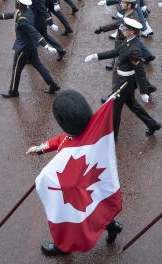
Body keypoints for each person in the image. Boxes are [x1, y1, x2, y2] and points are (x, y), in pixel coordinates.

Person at [25, 90, 124, 255]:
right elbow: (61, 139)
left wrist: (44, 177)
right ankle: (112, 226)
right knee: (96, 206)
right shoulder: (87, 133)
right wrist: (41, 149)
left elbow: (62, 145)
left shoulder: (76, 141)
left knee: (68, 215)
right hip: (86, 181)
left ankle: (63, 246)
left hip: (73, 187)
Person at [84, 17, 160, 136]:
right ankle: (152, 125)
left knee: (115, 108)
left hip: (125, 83)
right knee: (132, 104)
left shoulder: (134, 49)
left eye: (126, 28)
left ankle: (112, 136)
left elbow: (140, 71)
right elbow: (115, 52)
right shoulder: (128, 40)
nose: (123, 29)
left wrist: (144, 91)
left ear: (132, 31)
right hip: (124, 80)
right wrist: (96, 56)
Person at [0, 0, 60, 98]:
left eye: (16, 2)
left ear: (19, 4)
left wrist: (46, 46)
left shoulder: (23, 19)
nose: (15, 3)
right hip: (31, 46)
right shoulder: (26, 11)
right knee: (39, 66)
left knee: (16, 69)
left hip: (23, 48)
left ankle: (13, 91)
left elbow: (34, 32)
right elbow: (9, 15)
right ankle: (52, 84)